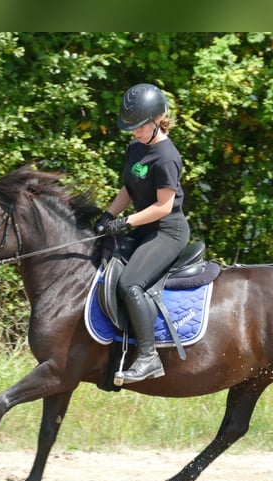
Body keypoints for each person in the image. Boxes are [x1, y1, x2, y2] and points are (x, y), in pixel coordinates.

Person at [94, 83, 190, 383]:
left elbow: (163, 207)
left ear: (157, 120)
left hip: (166, 232)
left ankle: (149, 357)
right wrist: (109, 214)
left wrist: (126, 222)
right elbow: (129, 187)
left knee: (130, 283)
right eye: (131, 127)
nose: (133, 132)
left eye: (138, 127)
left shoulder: (166, 157)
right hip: (142, 227)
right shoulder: (137, 147)